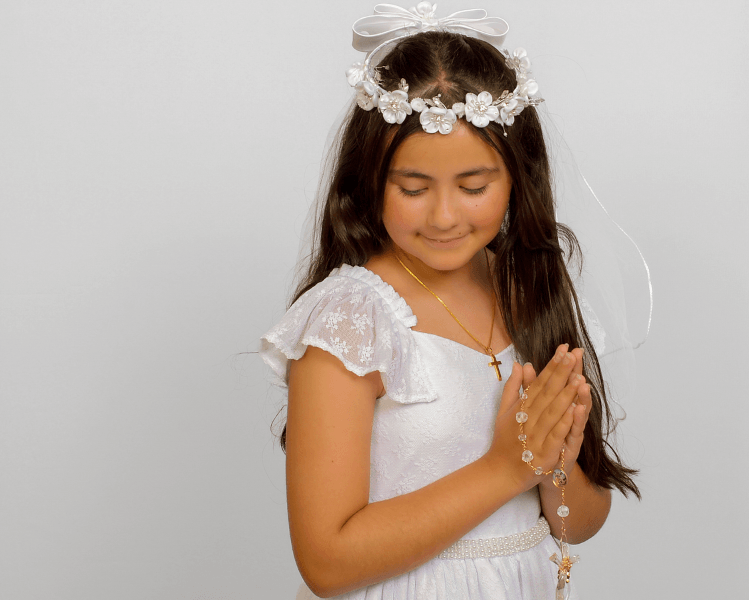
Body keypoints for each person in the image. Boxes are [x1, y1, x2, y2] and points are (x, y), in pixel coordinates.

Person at [260, 5, 645, 599]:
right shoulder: (352, 319)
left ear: (518, 178)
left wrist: (557, 463)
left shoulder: (531, 293)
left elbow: (578, 524)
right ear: (370, 178)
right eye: (413, 188)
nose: (443, 216)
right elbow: (326, 562)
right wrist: (507, 467)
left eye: (474, 187)